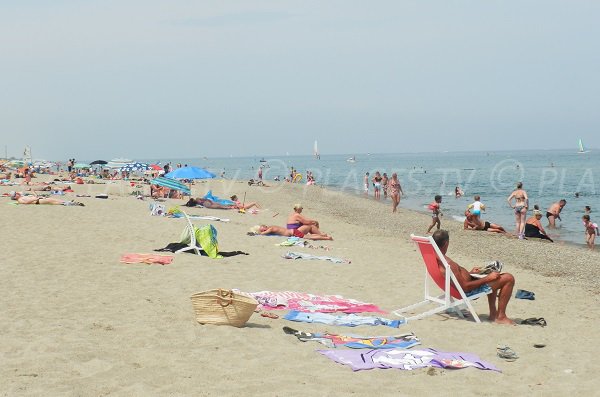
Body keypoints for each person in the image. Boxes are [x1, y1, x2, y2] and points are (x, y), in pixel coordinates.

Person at [432, 230, 515, 325]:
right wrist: (487, 279)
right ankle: (501, 316)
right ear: (446, 243)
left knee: (493, 275)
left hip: (457, 288)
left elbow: (454, 278)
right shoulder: (448, 263)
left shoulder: (437, 258)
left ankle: (493, 314)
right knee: (509, 278)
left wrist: (469, 273)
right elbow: (465, 287)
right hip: (468, 291)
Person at [252, 225, 333, 241]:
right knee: (307, 235)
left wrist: (257, 233)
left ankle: (326, 238)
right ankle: (323, 235)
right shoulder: (272, 226)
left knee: (308, 237)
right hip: (293, 231)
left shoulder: (271, 228)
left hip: (293, 232)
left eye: (263, 229)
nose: (264, 230)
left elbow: (264, 233)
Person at [10, 191, 84, 206]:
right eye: (15, 194)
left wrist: (34, 193)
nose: (17, 193)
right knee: (51, 200)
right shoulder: (19, 200)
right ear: (14, 197)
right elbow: (26, 203)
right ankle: (66, 202)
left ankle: (66, 203)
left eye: (16, 192)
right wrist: (36, 198)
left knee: (52, 202)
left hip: (38, 199)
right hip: (37, 201)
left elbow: (32, 197)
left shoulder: (21, 196)